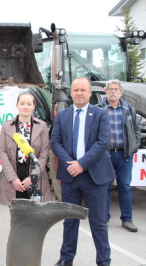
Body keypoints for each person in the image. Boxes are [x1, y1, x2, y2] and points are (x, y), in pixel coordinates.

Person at [50, 77, 115, 266]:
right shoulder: (62, 115)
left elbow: (103, 142)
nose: (79, 93)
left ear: (89, 93)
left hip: (95, 177)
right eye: (76, 90)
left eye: (83, 90)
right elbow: (55, 142)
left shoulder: (101, 114)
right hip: (70, 176)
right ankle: (66, 259)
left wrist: (82, 164)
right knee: (69, 220)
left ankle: (104, 261)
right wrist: (70, 163)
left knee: (99, 222)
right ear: (71, 92)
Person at [0, 92, 53, 206]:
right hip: (14, 172)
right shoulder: (7, 126)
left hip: (34, 172)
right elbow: (2, 152)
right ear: (17, 105)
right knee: (16, 214)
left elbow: (43, 154)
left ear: (33, 106)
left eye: (29, 104)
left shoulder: (41, 126)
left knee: (35, 214)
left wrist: (32, 177)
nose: (25, 107)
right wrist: (13, 179)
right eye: (22, 103)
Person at [100, 79, 141, 232]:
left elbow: (137, 128)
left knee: (125, 187)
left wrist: (134, 146)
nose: (113, 91)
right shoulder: (100, 109)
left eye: (116, 89)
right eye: (110, 89)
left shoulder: (129, 109)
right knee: (105, 187)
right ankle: (104, 218)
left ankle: (127, 219)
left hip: (124, 155)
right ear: (106, 91)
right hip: (106, 155)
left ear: (121, 92)